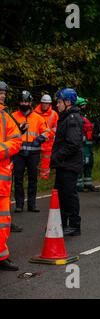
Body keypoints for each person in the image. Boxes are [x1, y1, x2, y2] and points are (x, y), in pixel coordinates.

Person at [51, 88, 84, 236]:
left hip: (69, 164)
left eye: (59, 102)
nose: (56, 105)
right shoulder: (65, 117)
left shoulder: (72, 119)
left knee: (69, 195)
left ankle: (75, 225)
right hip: (63, 164)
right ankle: (61, 224)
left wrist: (57, 156)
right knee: (61, 195)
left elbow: (73, 144)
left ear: (68, 102)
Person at [12, 91, 50, 213]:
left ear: (30, 102)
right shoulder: (13, 116)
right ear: (19, 102)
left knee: (33, 179)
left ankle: (32, 204)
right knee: (18, 179)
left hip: (34, 153)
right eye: (22, 101)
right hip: (18, 153)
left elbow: (46, 132)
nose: (24, 103)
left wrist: (39, 139)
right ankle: (19, 204)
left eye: (26, 101)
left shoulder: (38, 118)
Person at [0, 81, 23, 271]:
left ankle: (1, 257)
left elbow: (16, 140)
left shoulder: (5, 117)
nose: (2, 95)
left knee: (3, 221)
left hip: (2, 183)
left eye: (3, 93)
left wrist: (0, 150)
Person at [75, 97, 98, 192]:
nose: (85, 107)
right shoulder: (76, 117)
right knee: (81, 164)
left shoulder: (84, 116)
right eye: (83, 105)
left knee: (89, 164)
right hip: (81, 145)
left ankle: (88, 184)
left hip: (88, 145)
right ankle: (79, 185)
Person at [34, 94, 58, 180]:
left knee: (46, 162)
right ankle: (34, 177)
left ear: (50, 104)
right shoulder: (34, 113)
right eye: (43, 103)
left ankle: (44, 178)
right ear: (41, 103)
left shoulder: (54, 114)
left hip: (48, 143)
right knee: (34, 162)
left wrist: (49, 134)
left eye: (47, 103)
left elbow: (56, 128)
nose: (45, 105)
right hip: (37, 142)